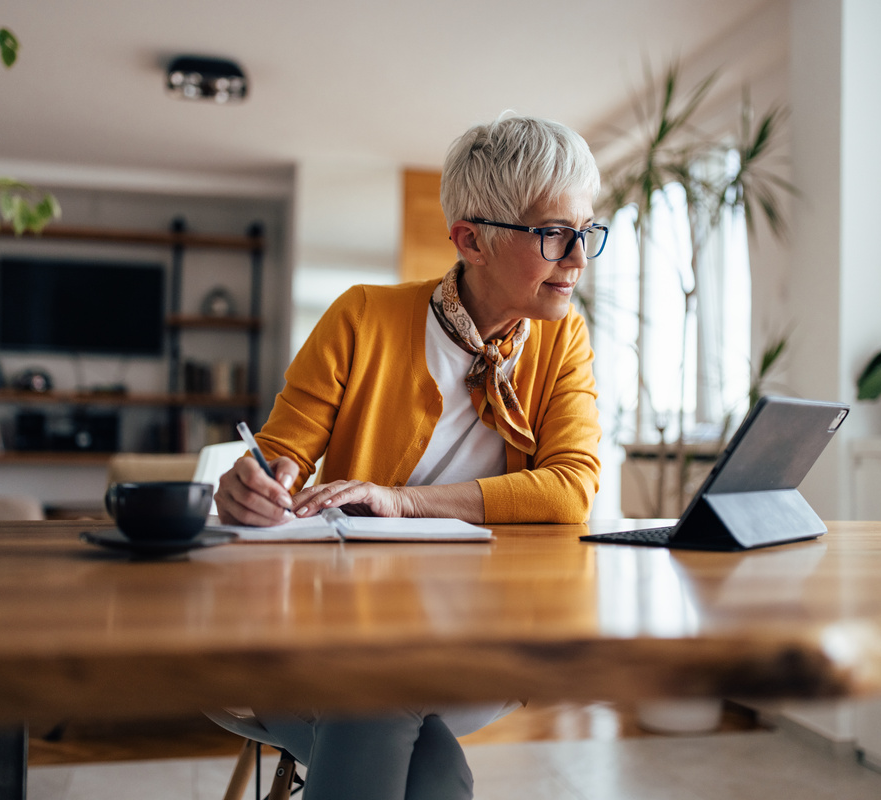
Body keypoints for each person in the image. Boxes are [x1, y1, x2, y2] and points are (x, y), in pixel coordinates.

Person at [213, 114, 606, 800]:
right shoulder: (361, 317)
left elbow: (571, 488)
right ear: (470, 240)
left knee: (385, 700)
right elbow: (278, 457)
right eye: (553, 234)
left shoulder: (561, 338)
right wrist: (251, 484)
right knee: (424, 757)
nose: (577, 257)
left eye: (587, 232)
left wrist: (404, 501)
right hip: (331, 631)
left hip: (482, 638)